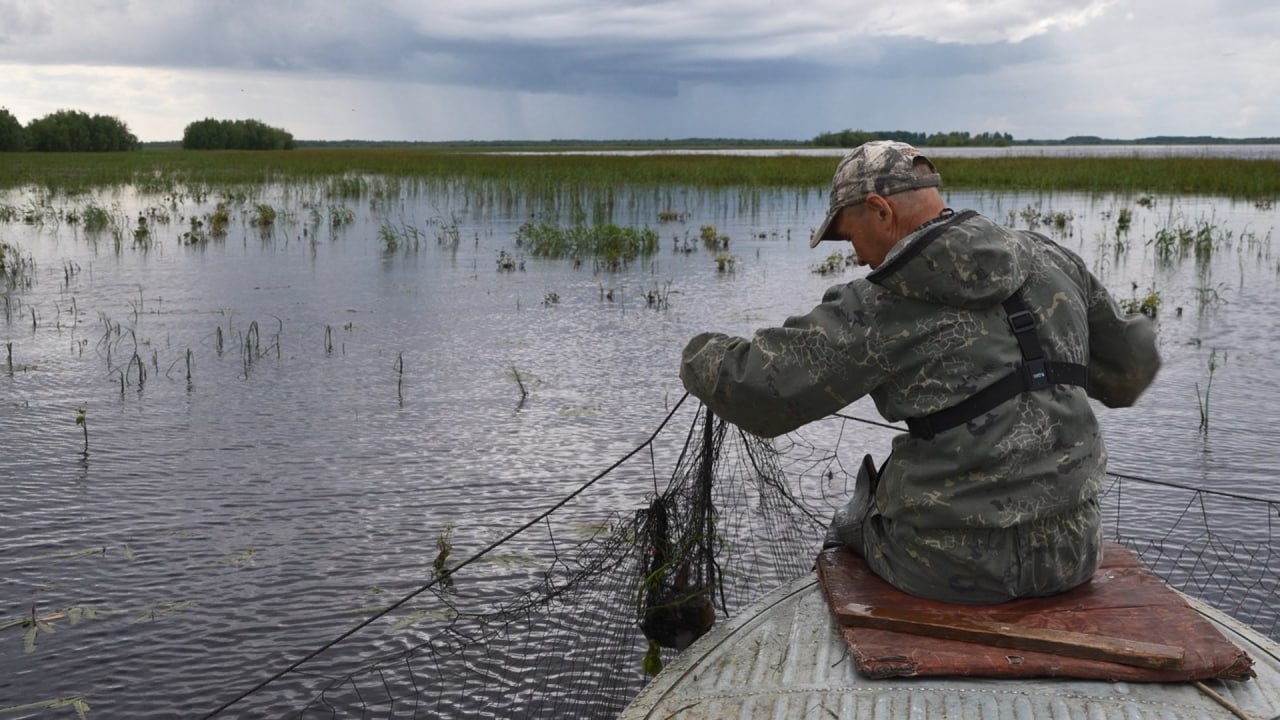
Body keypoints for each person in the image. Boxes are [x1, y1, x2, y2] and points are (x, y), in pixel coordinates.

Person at [679, 140, 1160, 604]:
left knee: (850, 525)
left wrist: (697, 353)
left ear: (880, 210)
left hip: (946, 565)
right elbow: (1130, 371)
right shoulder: (1052, 258)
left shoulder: (880, 304)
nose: (859, 257)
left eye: (850, 236)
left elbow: (758, 393)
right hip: (1072, 553)